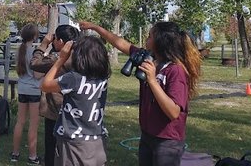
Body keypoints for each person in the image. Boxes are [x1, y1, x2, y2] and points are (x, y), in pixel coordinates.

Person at [81, 20, 201, 166]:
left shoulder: (176, 71)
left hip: (167, 141)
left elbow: (174, 112)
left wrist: (152, 80)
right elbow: (121, 43)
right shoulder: (149, 59)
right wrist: (96, 27)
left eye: (150, 36)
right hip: (148, 135)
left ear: (160, 41)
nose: (146, 39)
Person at [40, 36, 110, 166]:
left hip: (73, 142)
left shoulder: (73, 79)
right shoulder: (103, 77)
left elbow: (45, 85)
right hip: (97, 139)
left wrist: (61, 59)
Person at [30, 24, 81, 166]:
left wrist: (44, 44)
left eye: (56, 39)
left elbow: (34, 63)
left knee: (52, 148)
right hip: (75, 111)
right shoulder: (80, 56)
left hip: (55, 109)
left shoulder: (58, 59)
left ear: (61, 42)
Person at [12, 24, 43, 164]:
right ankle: (32, 156)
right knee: (33, 125)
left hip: (22, 88)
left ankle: (15, 153)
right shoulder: (34, 52)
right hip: (34, 90)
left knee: (20, 122)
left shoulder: (19, 51)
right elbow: (37, 75)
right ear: (35, 36)